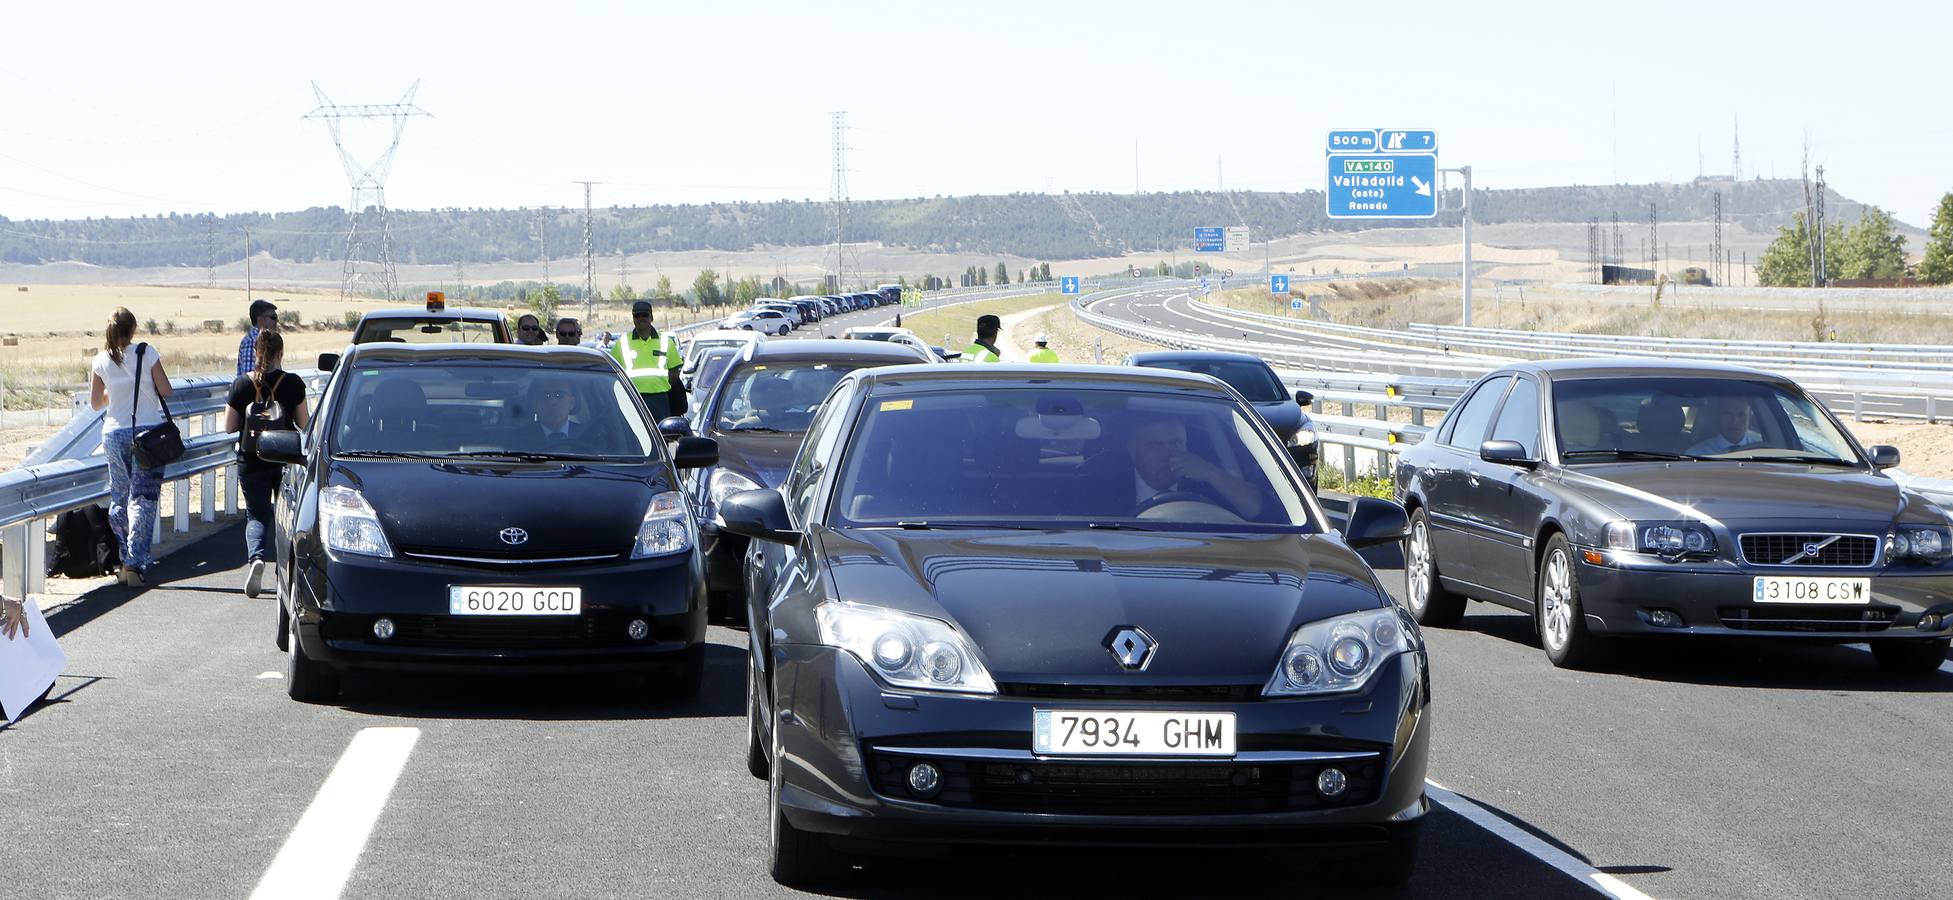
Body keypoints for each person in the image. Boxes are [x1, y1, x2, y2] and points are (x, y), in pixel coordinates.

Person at [90, 307, 173, 586]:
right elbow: (165, 390)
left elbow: (95, 403)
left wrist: (116, 390)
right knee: (143, 498)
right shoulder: (146, 353)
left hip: (113, 434)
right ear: (133, 330)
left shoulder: (100, 360)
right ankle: (135, 561)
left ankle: (125, 559)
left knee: (119, 496)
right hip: (147, 435)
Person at [225, 330, 309, 598]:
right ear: (280, 353)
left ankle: (256, 558)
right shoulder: (293, 384)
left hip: (250, 460)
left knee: (257, 513)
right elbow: (305, 424)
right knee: (286, 515)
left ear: (256, 353)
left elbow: (229, 426)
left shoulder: (240, 384)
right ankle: (284, 568)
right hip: (284, 458)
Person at [1081, 417, 1264, 520]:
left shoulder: (1207, 483)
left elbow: (1258, 511)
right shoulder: (1102, 486)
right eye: (1155, 446)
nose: (1168, 454)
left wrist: (1211, 474)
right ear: (1132, 451)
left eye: (1176, 443)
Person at [611, 300, 688, 420]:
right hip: (632, 399)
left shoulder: (665, 341)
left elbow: (674, 372)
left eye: (644, 315)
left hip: (660, 400)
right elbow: (613, 370)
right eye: (637, 315)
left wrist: (659, 384)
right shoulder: (622, 342)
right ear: (633, 318)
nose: (641, 318)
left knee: (661, 435)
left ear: (651, 317)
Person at [1688, 396, 1760, 455]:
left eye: (1741, 415)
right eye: (1727, 414)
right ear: (1718, 416)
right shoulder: (1697, 453)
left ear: (1750, 417)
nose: (1734, 421)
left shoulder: (1761, 451)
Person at [525, 376, 582, 443]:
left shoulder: (587, 435)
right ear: (534, 403)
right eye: (545, 396)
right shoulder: (518, 438)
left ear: (572, 402)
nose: (552, 402)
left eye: (559, 395)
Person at [236, 299, 277, 376]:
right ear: (261, 320)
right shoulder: (252, 342)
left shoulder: (267, 339)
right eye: (273, 317)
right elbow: (250, 379)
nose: (276, 321)